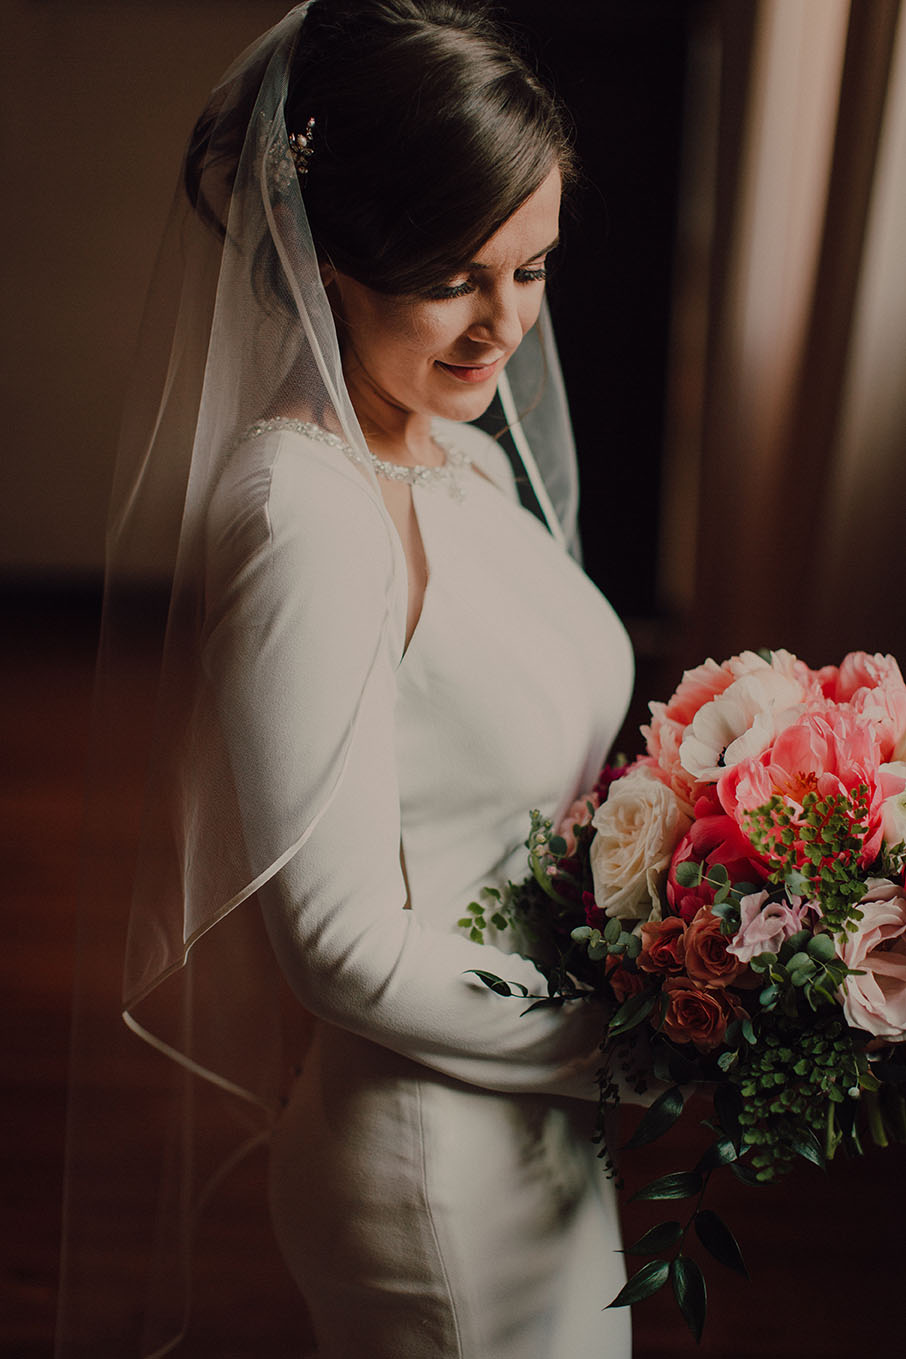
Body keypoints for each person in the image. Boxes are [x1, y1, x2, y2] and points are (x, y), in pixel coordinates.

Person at [59, 3, 639, 1356]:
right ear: (324, 256)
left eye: (533, 267)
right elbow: (336, 950)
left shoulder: (464, 458)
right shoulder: (302, 517)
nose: (503, 325)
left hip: (533, 1117)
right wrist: (632, 1038)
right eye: (453, 274)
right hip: (434, 1163)